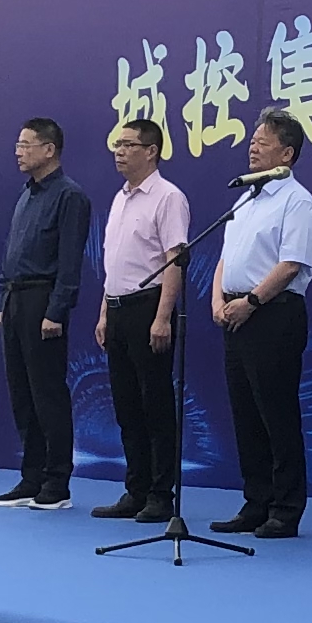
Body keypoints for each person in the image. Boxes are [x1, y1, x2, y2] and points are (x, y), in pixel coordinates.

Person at [208, 112, 312, 539]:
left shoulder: (299, 203)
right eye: (252, 140)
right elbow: (226, 257)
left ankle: (285, 509)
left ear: (287, 153)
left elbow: (291, 264)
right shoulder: (246, 198)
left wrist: (252, 301)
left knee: (276, 413)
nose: (252, 147)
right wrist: (218, 298)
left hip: (274, 314)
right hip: (236, 312)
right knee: (246, 415)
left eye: (263, 141)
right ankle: (255, 502)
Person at [0, 117, 93, 513]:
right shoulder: (26, 194)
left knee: (48, 393)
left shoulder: (70, 196)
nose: (18, 152)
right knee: (22, 394)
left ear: (49, 149)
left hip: (43, 300)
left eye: (26, 145)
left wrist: (56, 310)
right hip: (16, 299)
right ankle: (30, 477)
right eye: (17, 145)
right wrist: (3, 302)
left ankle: (56, 481)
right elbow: (12, 252)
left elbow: (69, 262)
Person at [91, 120, 188, 526]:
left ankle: (161, 495)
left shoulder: (168, 197)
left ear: (151, 151)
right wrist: (103, 312)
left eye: (129, 144)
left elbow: (174, 260)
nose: (119, 151)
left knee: (155, 405)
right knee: (126, 406)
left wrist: (163, 317)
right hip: (117, 307)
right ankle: (136, 489)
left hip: (149, 307)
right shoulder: (120, 198)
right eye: (117, 143)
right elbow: (115, 262)